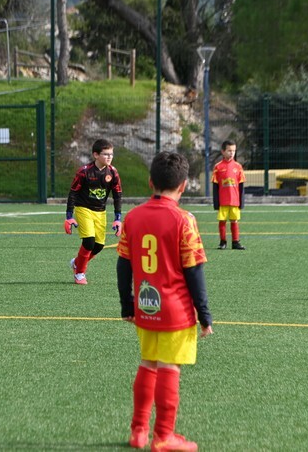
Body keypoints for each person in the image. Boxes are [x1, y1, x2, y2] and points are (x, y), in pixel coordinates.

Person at [116, 151, 213, 451]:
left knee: (148, 364)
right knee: (169, 368)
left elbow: (123, 265)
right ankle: (163, 436)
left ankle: (138, 431)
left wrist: (127, 305)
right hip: (175, 310)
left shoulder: (133, 217)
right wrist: (204, 315)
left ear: (150, 182)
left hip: (146, 307)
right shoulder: (184, 219)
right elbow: (194, 272)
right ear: (183, 186)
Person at [65, 139, 123, 285]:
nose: (109, 157)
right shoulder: (84, 172)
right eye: (106, 154)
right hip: (83, 208)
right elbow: (73, 192)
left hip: (100, 212)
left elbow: (117, 195)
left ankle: (77, 262)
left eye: (111, 154)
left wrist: (117, 218)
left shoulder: (113, 173)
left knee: (98, 246)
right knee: (89, 242)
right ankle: (80, 273)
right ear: (96, 155)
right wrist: (69, 216)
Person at [212, 140, 246, 250]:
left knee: (234, 220)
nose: (232, 153)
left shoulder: (238, 167)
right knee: (222, 220)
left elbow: (241, 186)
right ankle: (223, 242)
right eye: (229, 150)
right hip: (223, 201)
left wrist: (241, 202)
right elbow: (215, 186)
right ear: (223, 151)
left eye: (234, 151)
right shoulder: (218, 167)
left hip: (235, 201)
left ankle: (235, 242)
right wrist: (216, 202)